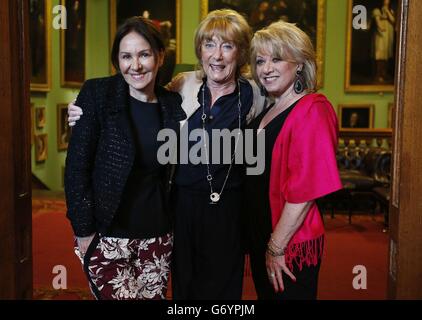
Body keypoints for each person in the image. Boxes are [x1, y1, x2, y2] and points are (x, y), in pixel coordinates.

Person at [68, 9, 266, 300]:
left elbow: (286, 103)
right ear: (199, 50)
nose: (218, 55)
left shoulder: (253, 94)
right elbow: (78, 169)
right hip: (148, 221)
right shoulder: (181, 87)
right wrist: (79, 113)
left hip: (197, 221)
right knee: (181, 288)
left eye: (228, 45)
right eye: (209, 44)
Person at [64, 16, 186, 300]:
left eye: (144, 54)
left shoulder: (172, 104)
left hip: (158, 238)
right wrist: (84, 234)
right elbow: (76, 170)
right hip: (107, 237)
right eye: (126, 56)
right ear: (117, 60)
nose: (136, 65)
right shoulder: (96, 94)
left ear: (160, 56)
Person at [243, 20, 342, 299]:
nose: (266, 68)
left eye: (277, 59)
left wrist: (276, 246)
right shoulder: (267, 111)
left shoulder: (312, 109)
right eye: (260, 61)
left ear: (299, 63)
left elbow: (305, 190)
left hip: (288, 243)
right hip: (262, 236)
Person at [372, 0, 395, 83]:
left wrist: (387, 11)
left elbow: (393, 20)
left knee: (386, 54)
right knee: (380, 54)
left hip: (389, 34)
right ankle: (378, 74)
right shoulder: (377, 10)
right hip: (381, 33)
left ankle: (384, 74)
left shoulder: (391, 11)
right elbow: (377, 21)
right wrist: (381, 28)